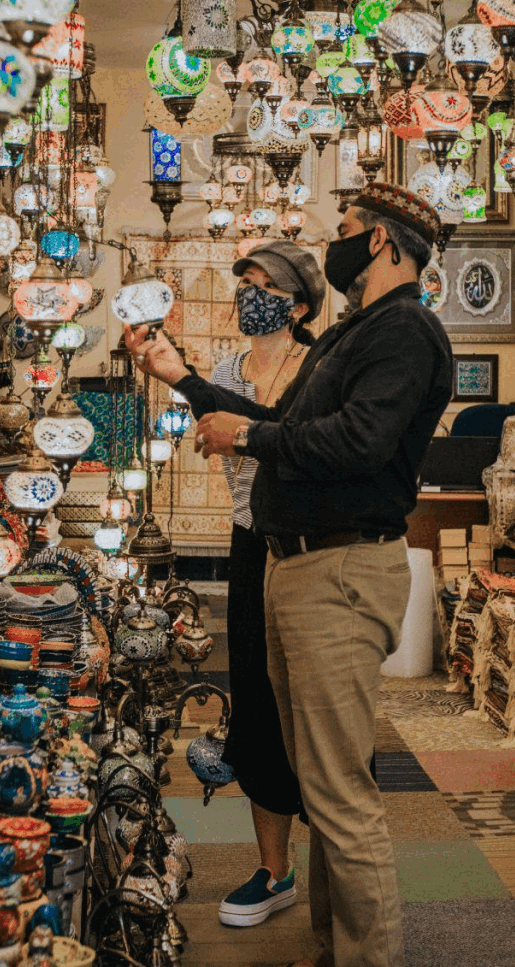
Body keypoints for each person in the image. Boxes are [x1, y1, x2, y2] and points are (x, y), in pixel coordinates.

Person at [124, 185, 454, 967]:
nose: (334, 245)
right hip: (297, 564)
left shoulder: (404, 329)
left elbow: (354, 442)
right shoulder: (357, 329)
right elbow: (279, 427)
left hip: (338, 567)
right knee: (318, 773)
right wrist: (188, 383)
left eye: (343, 232)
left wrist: (249, 436)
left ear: (377, 241)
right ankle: (332, 946)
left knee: (340, 794)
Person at [206, 240, 324, 929]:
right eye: (243, 281)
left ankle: (335, 866)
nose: (249, 292)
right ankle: (273, 868)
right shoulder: (226, 367)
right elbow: (235, 474)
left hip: (310, 551)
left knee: (314, 702)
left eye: (264, 284)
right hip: (251, 542)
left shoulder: (319, 367)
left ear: (298, 303)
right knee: (253, 696)